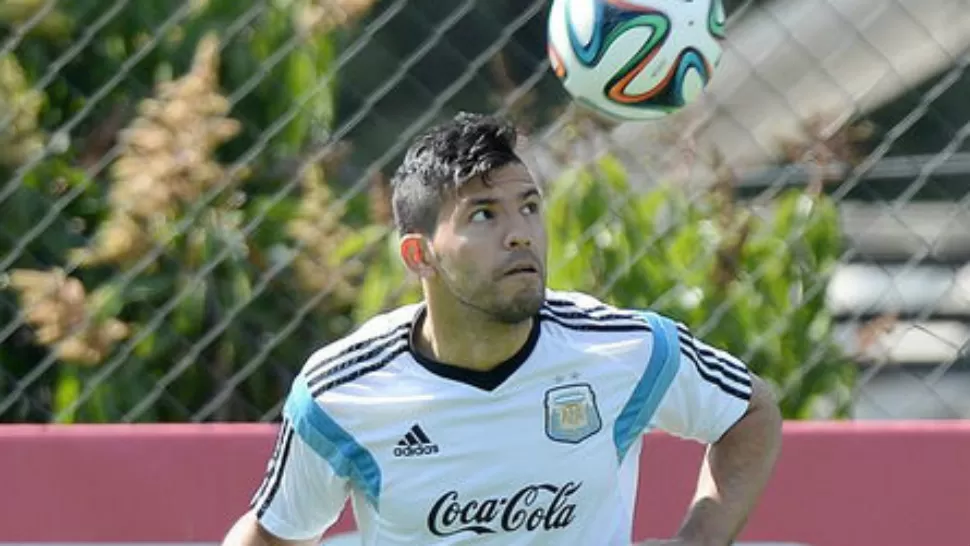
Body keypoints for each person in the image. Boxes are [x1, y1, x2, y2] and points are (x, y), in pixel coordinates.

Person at [221, 112, 783, 546]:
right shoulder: (342, 391)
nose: (521, 234)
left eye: (530, 207)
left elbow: (751, 411)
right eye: (484, 215)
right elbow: (272, 535)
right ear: (420, 256)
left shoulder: (623, 349)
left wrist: (700, 538)